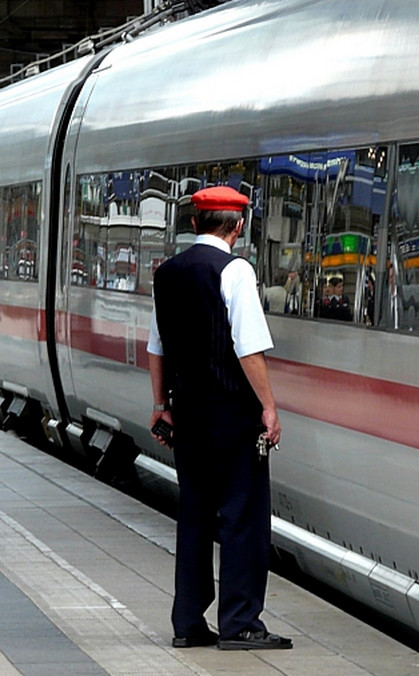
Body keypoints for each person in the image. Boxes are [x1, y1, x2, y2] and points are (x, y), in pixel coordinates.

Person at [146, 185, 291, 651]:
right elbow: (248, 347)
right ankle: (240, 622)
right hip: (232, 415)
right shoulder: (235, 270)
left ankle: (188, 622)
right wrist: (268, 406)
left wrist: (160, 405)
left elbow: (156, 349)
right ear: (239, 226)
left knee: (194, 514)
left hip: (187, 413)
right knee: (242, 515)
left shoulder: (166, 273)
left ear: (194, 223)